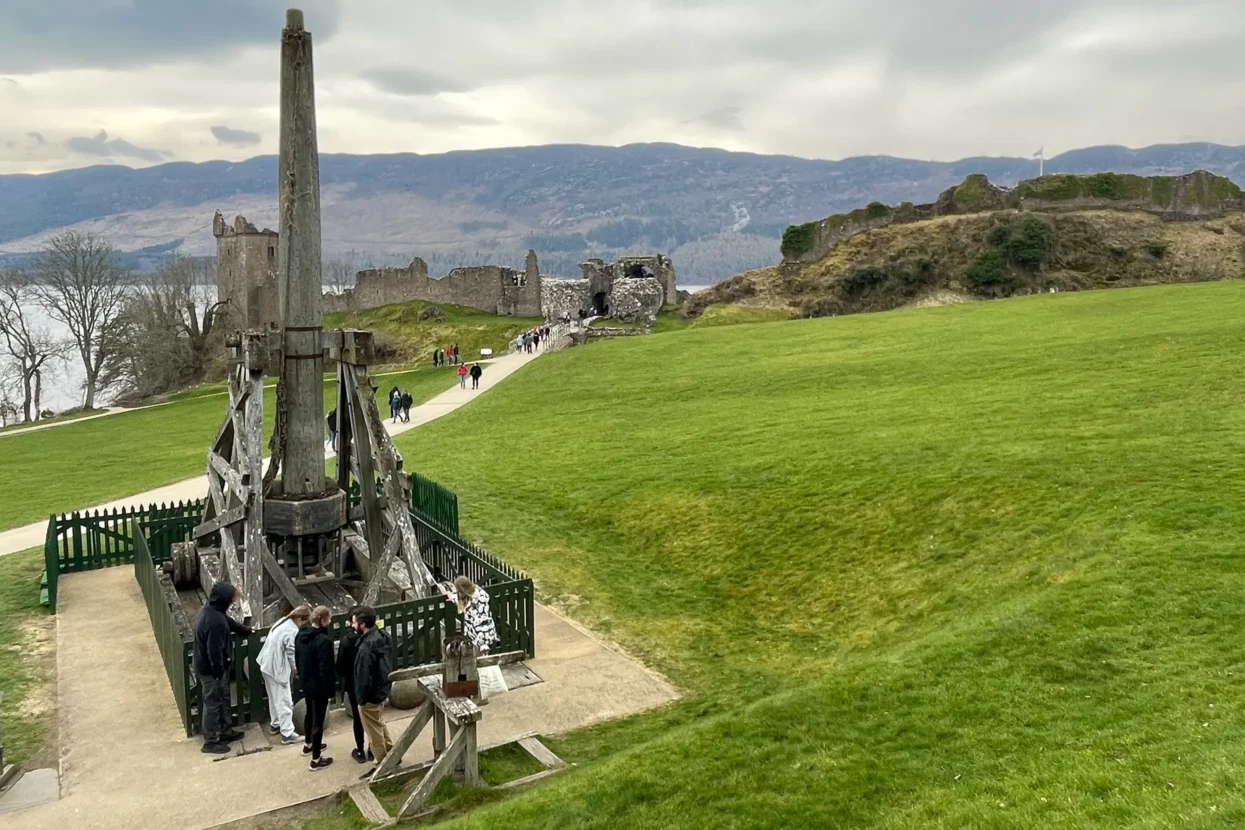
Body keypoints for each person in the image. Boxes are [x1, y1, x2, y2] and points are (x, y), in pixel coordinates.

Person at [193, 582, 252, 753]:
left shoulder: (211, 611)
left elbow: (229, 621)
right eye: (231, 599)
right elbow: (214, 651)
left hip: (211, 668)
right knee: (212, 704)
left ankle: (225, 731)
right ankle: (210, 741)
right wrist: (218, 673)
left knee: (223, 699)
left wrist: (243, 629)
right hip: (211, 671)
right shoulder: (215, 621)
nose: (233, 602)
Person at [256, 605, 310, 746]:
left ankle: (276, 724)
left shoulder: (282, 621)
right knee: (284, 700)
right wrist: (297, 670)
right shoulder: (291, 631)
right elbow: (292, 653)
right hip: (277, 668)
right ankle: (287, 733)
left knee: (274, 697)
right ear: (299, 619)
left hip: (266, 663)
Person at [295, 606, 336, 770]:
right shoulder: (323, 642)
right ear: (323, 620)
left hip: (306, 682)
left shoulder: (300, 636)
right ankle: (316, 759)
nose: (330, 621)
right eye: (329, 618)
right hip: (319, 686)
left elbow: (298, 659)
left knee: (309, 714)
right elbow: (325, 669)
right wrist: (329, 691)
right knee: (318, 720)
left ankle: (308, 744)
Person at [353, 606, 394, 771]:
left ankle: (382, 762)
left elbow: (363, 676)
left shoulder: (365, 649)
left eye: (355, 622)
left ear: (362, 624)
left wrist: (361, 699)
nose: (352, 625)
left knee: (373, 731)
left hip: (370, 695)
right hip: (382, 688)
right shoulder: (383, 636)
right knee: (379, 723)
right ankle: (392, 752)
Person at [335, 607, 371, 764]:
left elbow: (341, 667)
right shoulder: (371, 638)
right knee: (372, 717)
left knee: (358, 718)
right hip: (370, 682)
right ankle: (372, 749)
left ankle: (360, 750)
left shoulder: (347, 641)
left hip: (353, 683)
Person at [454, 576, 500, 653]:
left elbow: (482, 621)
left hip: (482, 637)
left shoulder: (479, 600)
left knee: (482, 660)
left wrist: (483, 643)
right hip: (473, 637)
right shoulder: (469, 597)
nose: (458, 594)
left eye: (459, 591)